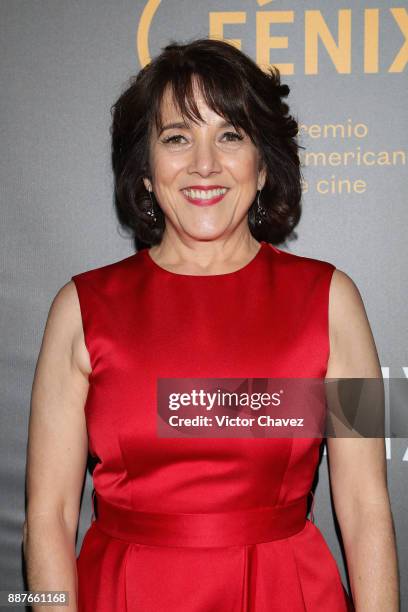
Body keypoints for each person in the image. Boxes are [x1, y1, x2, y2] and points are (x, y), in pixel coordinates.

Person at [23, 37, 399, 611]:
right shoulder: (80, 308)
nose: (205, 164)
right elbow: (46, 519)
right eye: (177, 138)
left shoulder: (332, 300)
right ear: (145, 171)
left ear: (263, 164)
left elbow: (366, 502)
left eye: (230, 135)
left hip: (285, 592)